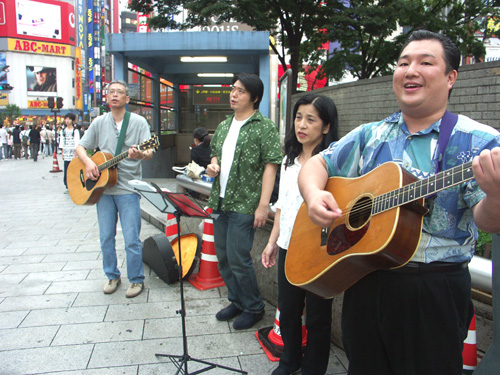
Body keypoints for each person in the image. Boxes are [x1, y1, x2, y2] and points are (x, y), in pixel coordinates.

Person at [298, 30, 500, 375]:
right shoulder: (370, 134)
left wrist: (495, 193)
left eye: (425, 62)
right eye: (404, 62)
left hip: (432, 290)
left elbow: (488, 221)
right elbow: (317, 164)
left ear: (451, 77)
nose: (410, 70)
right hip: (363, 277)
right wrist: (314, 195)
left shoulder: (480, 141)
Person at [262, 94, 339, 375]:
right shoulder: (289, 159)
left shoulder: (333, 162)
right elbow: (282, 205)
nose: (302, 125)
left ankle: (313, 368)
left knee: (318, 316)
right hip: (288, 247)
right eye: (298, 117)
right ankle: (289, 361)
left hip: (321, 250)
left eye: (311, 119)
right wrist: (272, 243)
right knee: (289, 309)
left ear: (327, 127)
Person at [206, 73, 282, 330]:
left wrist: (263, 205)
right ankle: (237, 300)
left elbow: (271, 167)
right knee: (224, 256)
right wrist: (213, 165)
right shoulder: (225, 124)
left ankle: (254, 306)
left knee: (239, 256)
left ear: (255, 97)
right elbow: (215, 153)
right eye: (233, 89)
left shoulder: (264, 127)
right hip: (220, 201)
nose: (233, 94)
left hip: (245, 203)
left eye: (240, 91)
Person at [75, 79, 153, 298]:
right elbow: (80, 147)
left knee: (131, 239)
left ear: (127, 99)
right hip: (103, 191)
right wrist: (90, 162)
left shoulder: (138, 122)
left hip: (128, 189)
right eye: (111, 92)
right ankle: (112, 275)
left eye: (120, 92)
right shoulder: (99, 122)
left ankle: (136, 280)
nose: (115, 95)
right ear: (107, 97)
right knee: (106, 237)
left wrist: (141, 153)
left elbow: (150, 151)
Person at [59, 114, 80, 191]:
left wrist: (75, 154)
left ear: (73, 121)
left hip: (73, 153)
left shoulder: (75, 131)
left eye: (69, 119)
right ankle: (67, 185)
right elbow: (62, 142)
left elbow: (77, 143)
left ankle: (74, 184)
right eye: (66, 119)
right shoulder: (63, 131)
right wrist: (62, 152)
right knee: (66, 169)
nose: (67, 121)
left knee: (73, 170)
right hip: (66, 153)